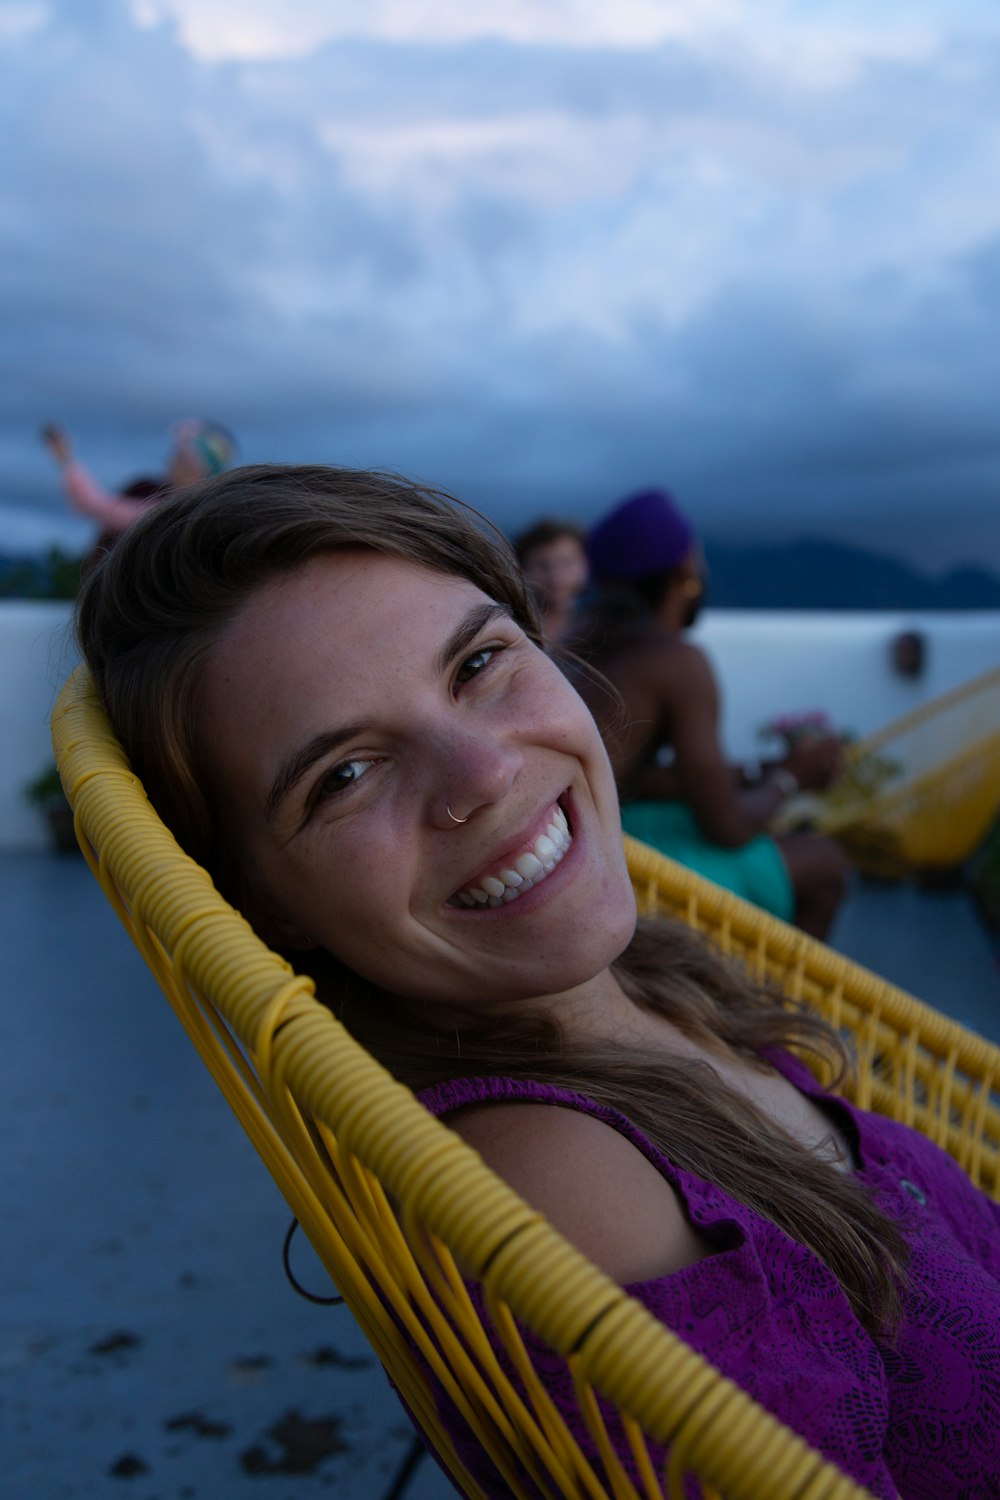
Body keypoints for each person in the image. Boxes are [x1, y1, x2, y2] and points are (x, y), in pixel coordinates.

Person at [75, 465, 999, 1500]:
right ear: (265, 904)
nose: (485, 773)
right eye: (343, 774)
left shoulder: (647, 978)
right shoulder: (569, 1179)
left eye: (478, 663)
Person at [575, 488, 848, 939]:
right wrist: (793, 778)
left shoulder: (582, 646)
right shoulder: (677, 661)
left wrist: (750, 775)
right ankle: (777, 1006)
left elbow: (630, 778)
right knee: (825, 864)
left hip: (594, 838)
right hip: (613, 864)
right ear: (685, 572)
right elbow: (728, 827)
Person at [41, 418, 236, 574]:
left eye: (186, 462)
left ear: (204, 475)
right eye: (178, 456)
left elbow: (97, 504)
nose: (174, 463)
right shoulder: (149, 492)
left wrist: (66, 460)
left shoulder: (176, 512)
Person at [513, 517, 589, 644]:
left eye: (567, 563)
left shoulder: (601, 622)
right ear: (521, 571)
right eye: (542, 566)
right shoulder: (514, 626)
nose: (556, 577)